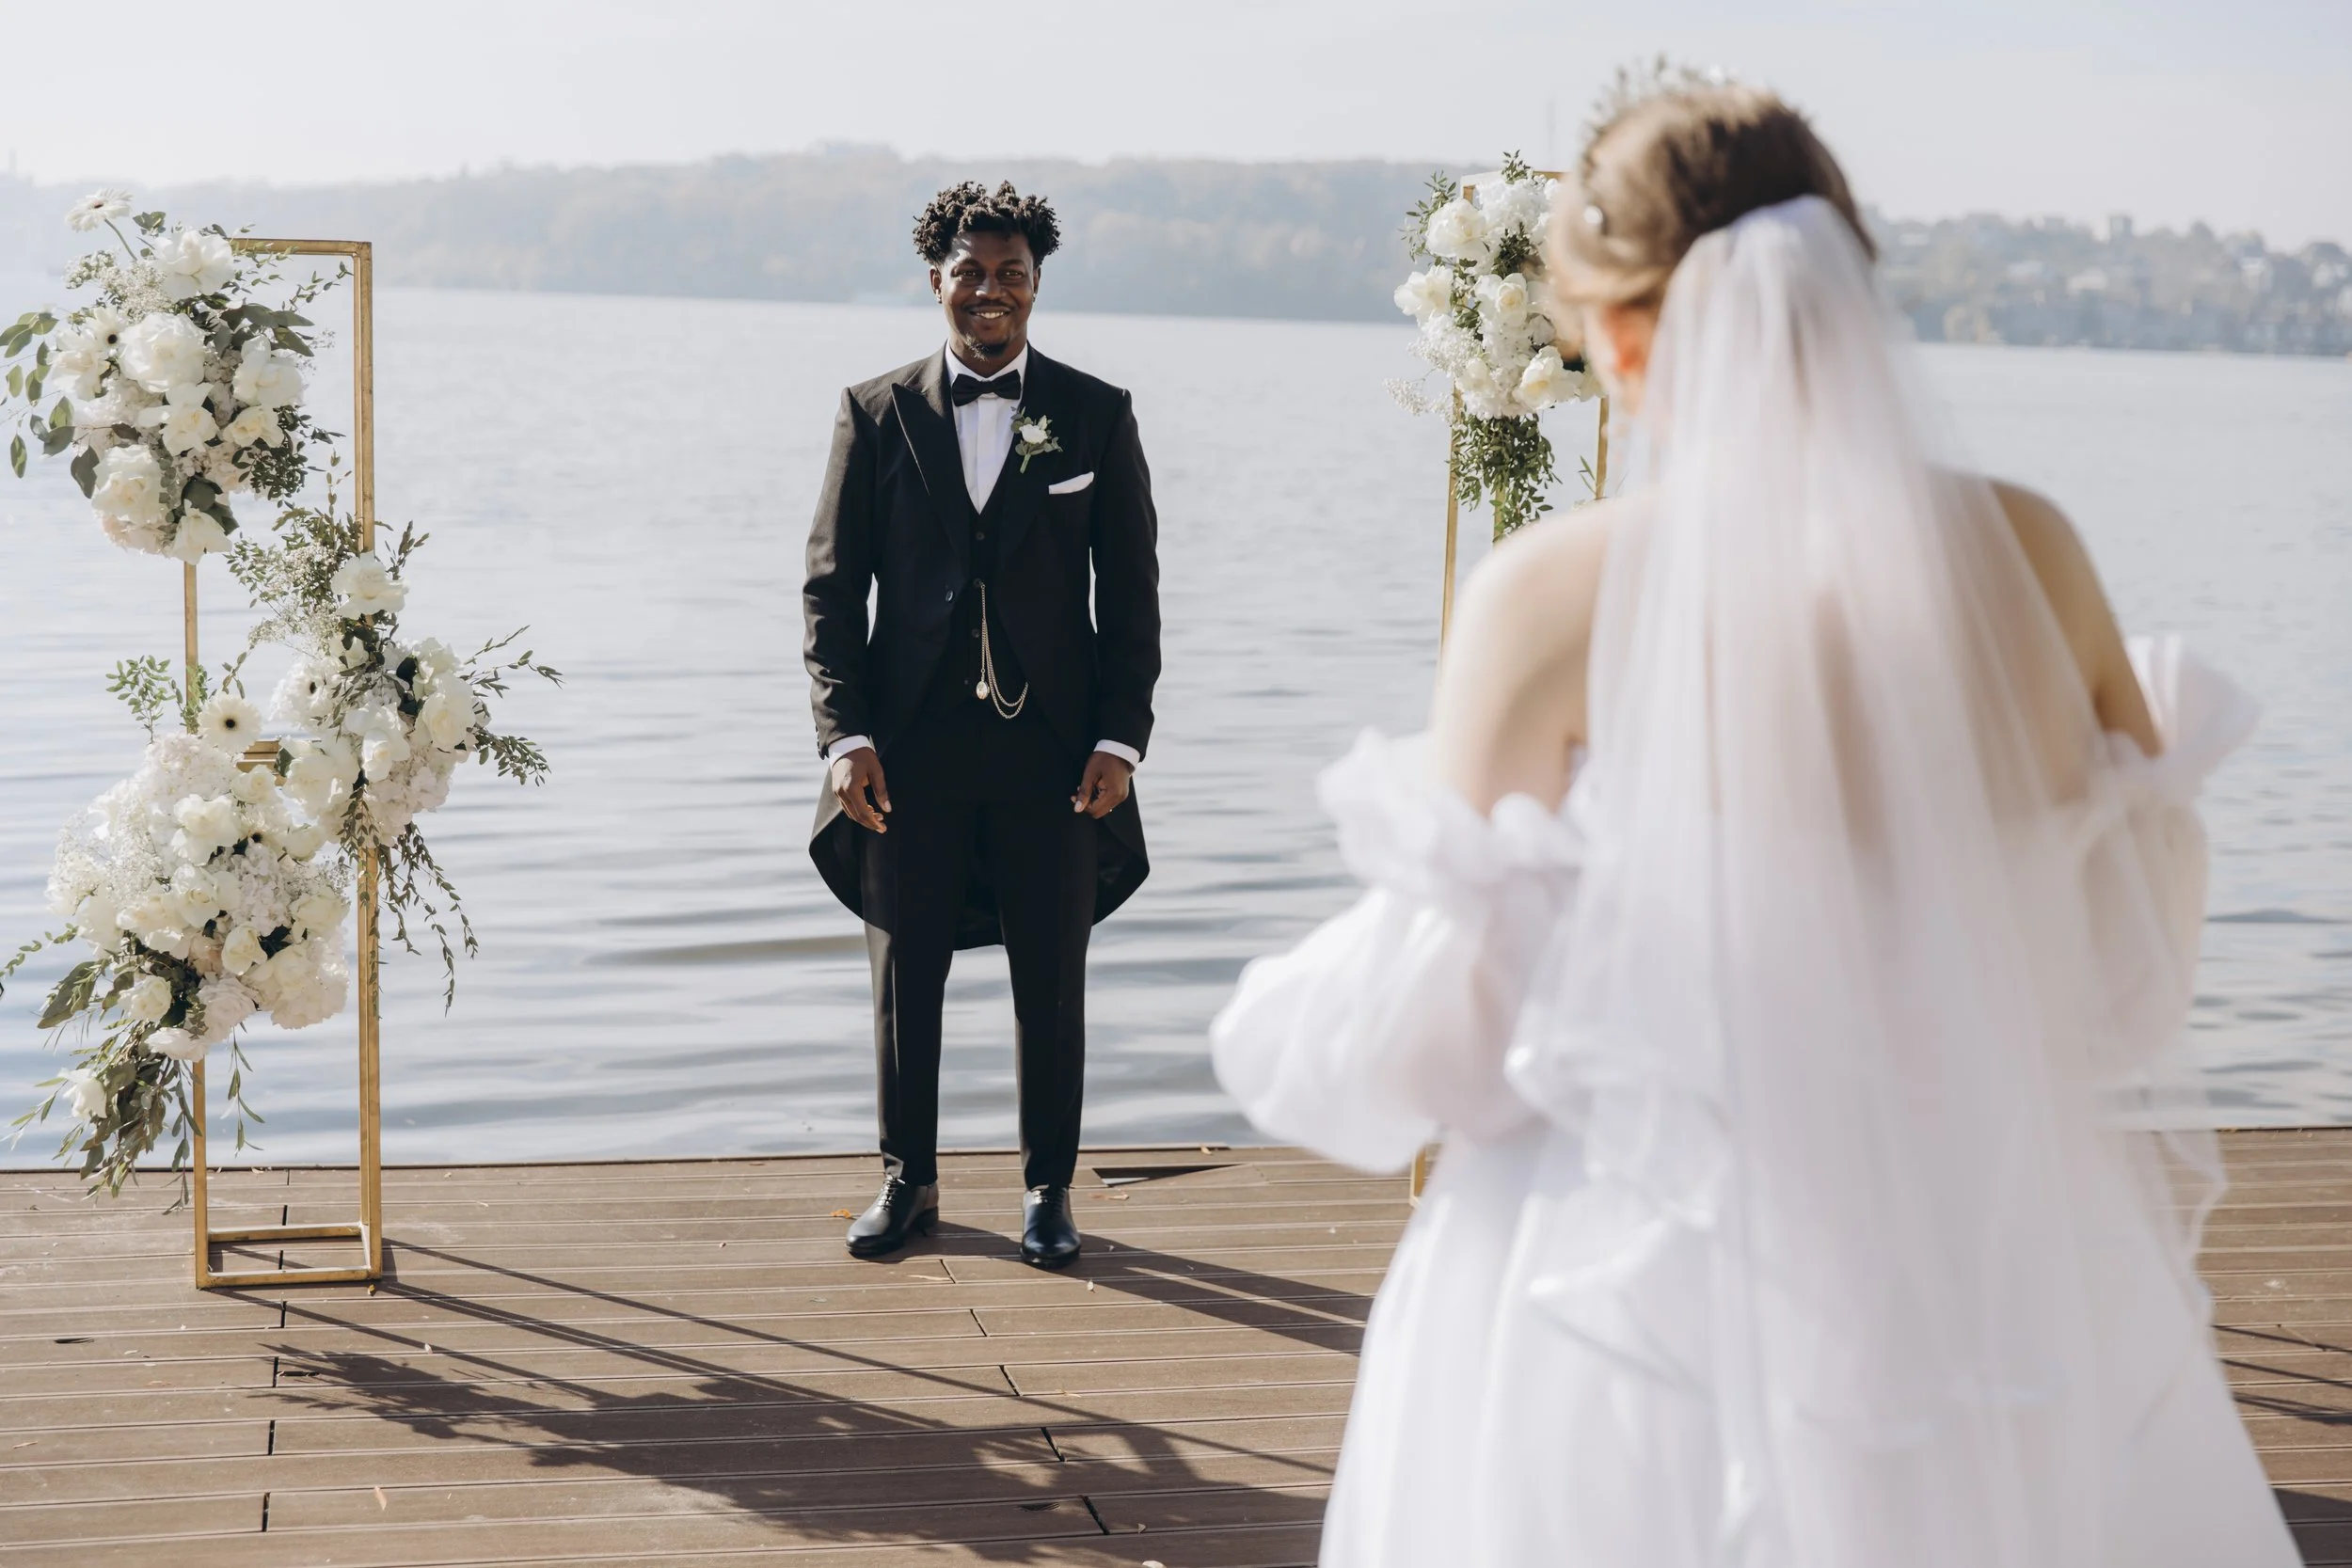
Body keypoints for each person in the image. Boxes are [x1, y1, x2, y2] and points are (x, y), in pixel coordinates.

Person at [1211, 82, 2297, 1566]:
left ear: (1629, 336)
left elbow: (1444, 1044)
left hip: (1615, 1276)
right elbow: (2126, 975)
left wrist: (1289, 1017)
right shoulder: (2035, 552)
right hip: (1984, 1248)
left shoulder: (1549, 597)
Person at [804, 182, 1162, 1268]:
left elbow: (1133, 594)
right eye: (972, 274)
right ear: (937, 283)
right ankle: (906, 1180)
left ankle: (1048, 1189)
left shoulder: (1097, 413)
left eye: (1011, 275)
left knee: (1050, 978)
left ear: (1037, 285)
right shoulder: (873, 411)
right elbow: (830, 589)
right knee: (903, 975)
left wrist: (1119, 738)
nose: (991, 293)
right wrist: (843, 735)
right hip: (905, 750)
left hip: (1055, 754)